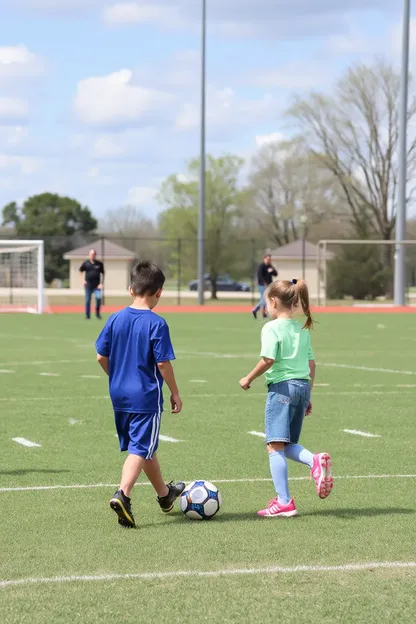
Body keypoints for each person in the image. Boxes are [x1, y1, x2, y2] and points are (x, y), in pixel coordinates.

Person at [95, 261, 184, 528]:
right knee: (139, 448)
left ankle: (165, 496)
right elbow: (162, 364)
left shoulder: (115, 318)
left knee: (144, 446)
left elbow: (101, 356)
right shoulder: (157, 323)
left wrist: (118, 377)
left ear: (130, 289)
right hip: (145, 396)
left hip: (118, 394)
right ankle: (123, 494)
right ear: (159, 292)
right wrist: (175, 392)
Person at [240, 278, 333, 518]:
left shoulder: (271, 328)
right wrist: (308, 394)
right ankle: (314, 462)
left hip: (282, 389)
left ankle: (284, 501)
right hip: (302, 387)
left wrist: (248, 378)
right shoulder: (302, 328)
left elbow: (268, 360)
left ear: (272, 302)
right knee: (287, 443)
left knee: (274, 445)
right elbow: (311, 364)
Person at [79, 249, 105, 320]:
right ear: (89, 255)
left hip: (97, 286)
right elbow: (80, 271)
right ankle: (87, 315)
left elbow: (103, 274)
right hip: (88, 286)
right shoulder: (86, 263)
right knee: (87, 300)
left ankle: (97, 314)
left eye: (94, 254)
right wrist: (83, 280)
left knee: (98, 298)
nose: (92, 255)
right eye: (91, 254)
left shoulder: (99, 264)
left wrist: (101, 284)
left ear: (95, 255)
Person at [252, 253, 278, 320]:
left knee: (265, 299)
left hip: (269, 285)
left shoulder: (270, 266)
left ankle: (255, 310)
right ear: (264, 259)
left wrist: (272, 270)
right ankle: (263, 314)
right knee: (265, 299)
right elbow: (260, 276)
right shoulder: (261, 266)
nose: (269, 260)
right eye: (268, 259)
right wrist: (264, 284)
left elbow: (275, 274)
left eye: (270, 259)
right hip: (262, 285)